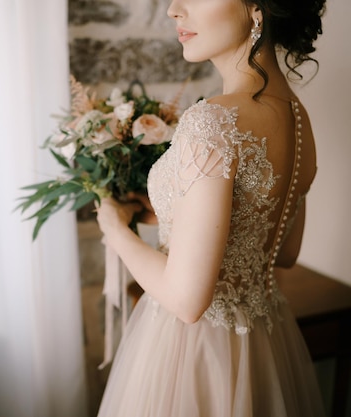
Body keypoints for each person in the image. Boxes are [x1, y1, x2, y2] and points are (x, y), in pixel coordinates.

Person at [94, 0, 328, 416]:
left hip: (193, 354)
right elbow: (282, 251)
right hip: (263, 345)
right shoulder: (300, 118)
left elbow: (186, 302)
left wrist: (115, 230)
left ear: (257, 8)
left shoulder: (214, 121)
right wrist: (168, 213)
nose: (173, 9)